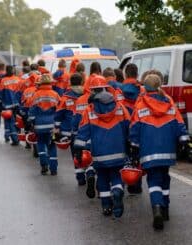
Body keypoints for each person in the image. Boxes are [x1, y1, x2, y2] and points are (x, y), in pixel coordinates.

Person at [129, 74, 189, 230]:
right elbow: (179, 123)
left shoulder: (141, 105)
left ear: (145, 87)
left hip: (148, 151)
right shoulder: (168, 101)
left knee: (153, 180)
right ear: (159, 85)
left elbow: (134, 129)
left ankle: (156, 207)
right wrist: (183, 141)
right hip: (167, 150)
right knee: (165, 178)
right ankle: (165, 208)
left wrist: (134, 147)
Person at [74, 75, 130, 217]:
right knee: (117, 176)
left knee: (103, 179)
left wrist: (78, 151)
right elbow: (128, 127)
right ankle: (117, 191)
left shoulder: (89, 110)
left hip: (99, 154)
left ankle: (106, 206)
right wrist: (130, 147)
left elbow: (82, 134)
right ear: (106, 88)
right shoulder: (119, 107)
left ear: (92, 91)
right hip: (118, 151)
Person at [55, 73, 87, 185]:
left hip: (71, 132)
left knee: (76, 154)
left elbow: (59, 115)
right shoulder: (87, 96)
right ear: (82, 82)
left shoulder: (65, 97)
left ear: (70, 83)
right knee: (88, 151)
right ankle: (90, 171)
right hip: (86, 129)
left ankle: (80, 177)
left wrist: (57, 128)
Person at [29, 74, 60, 175]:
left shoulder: (36, 95)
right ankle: (54, 169)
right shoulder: (55, 94)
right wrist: (58, 125)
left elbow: (32, 111)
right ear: (50, 82)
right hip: (52, 126)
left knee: (41, 144)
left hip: (39, 126)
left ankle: (44, 165)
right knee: (52, 145)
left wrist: (32, 123)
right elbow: (59, 110)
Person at [120, 63, 145, 194]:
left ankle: (125, 181)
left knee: (125, 154)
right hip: (138, 126)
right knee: (137, 155)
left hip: (123, 126)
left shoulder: (119, 89)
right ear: (137, 74)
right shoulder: (142, 90)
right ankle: (136, 185)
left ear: (125, 74)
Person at [0, 65, 20, 145]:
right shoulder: (18, 79)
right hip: (18, 104)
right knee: (18, 121)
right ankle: (20, 136)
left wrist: (0, 103)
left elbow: (0, 93)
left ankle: (15, 139)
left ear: (6, 71)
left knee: (11, 122)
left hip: (8, 105)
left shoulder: (3, 80)